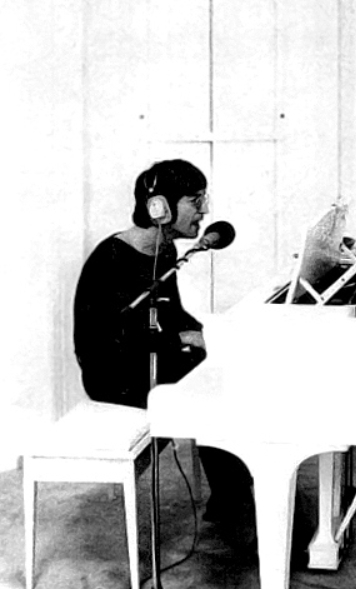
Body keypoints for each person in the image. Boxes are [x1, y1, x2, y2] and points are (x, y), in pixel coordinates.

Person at [73, 159, 254, 545]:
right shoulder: (113, 259)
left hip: (147, 358)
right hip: (114, 373)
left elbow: (169, 311)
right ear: (161, 208)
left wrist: (207, 332)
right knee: (208, 386)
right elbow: (112, 339)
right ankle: (235, 500)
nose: (204, 210)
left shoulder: (165, 250)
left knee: (216, 369)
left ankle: (232, 496)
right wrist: (182, 343)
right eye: (195, 200)